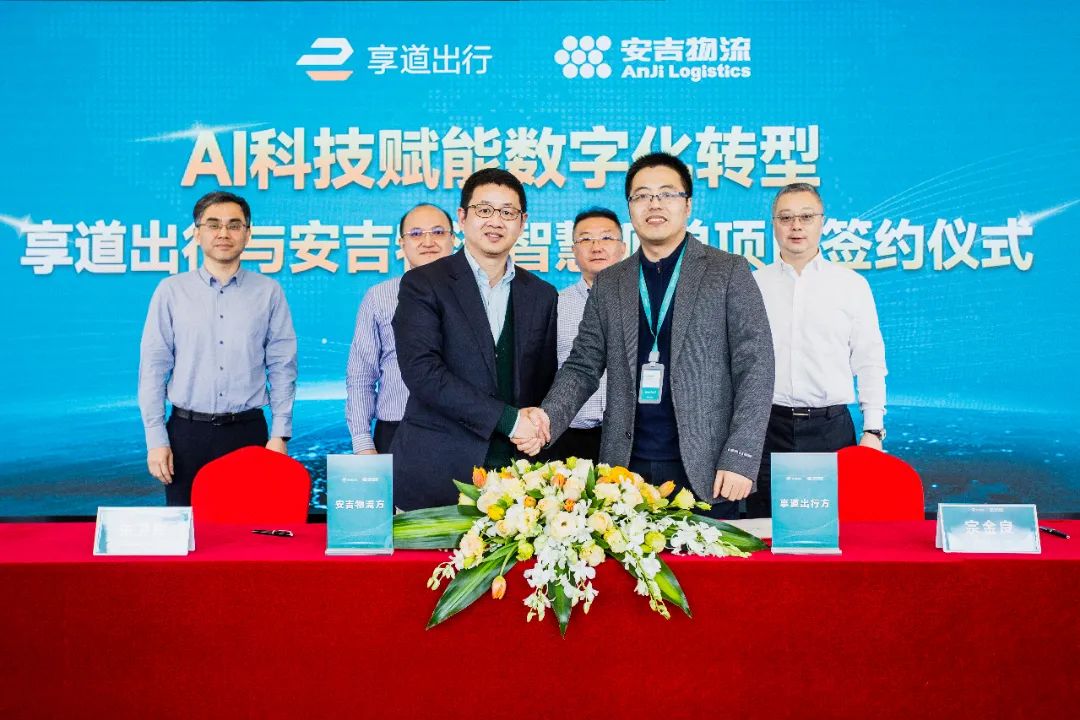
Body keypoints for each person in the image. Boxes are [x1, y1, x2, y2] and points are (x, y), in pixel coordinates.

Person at [525, 152, 774, 519]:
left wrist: (740, 456)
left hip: (710, 470)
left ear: (688, 205)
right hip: (625, 470)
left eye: (667, 193)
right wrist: (546, 420)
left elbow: (756, 367)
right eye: (642, 195)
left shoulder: (727, 271)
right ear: (630, 208)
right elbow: (582, 366)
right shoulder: (611, 282)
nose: (654, 204)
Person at [390, 168, 558, 510]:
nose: (495, 221)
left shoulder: (542, 294)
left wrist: (536, 426)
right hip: (436, 471)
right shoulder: (423, 284)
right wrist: (509, 420)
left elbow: (542, 380)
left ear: (522, 222)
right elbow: (423, 373)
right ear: (463, 217)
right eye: (484, 210)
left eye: (507, 212)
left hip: (515, 480)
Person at [138, 191, 297, 506]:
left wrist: (279, 435)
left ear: (247, 234)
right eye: (213, 225)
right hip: (186, 434)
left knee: (250, 528)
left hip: (248, 433)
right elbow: (153, 369)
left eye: (234, 225)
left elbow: (283, 367)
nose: (224, 233)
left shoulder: (269, 292)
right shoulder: (171, 291)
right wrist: (156, 438)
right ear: (197, 234)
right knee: (187, 528)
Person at [748, 183, 887, 518]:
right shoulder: (752, 285)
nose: (796, 226)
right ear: (773, 224)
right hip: (767, 429)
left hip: (830, 430)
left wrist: (873, 430)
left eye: (806, 217)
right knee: (764, 529)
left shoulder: (851, 286)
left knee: (831, 529)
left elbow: (869, 361)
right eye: (786, 218)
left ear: (822, 222)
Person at [345, 204, 455, 455]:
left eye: (438, 232)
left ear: (453, 239)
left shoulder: (475, 295)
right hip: (396, 430)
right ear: (402, 243)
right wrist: (363, 443)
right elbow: (361, 376)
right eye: (416, 234)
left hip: (462, 432)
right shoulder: (379, 297)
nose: (428, 242)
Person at [547, 207, 626, 465]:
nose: (596, 247)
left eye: (606, 238)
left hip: (629, 438)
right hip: (569, 437)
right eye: (586, 239)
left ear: (623, 248)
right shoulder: (555, 305)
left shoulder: (643, 303)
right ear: (574, 250)